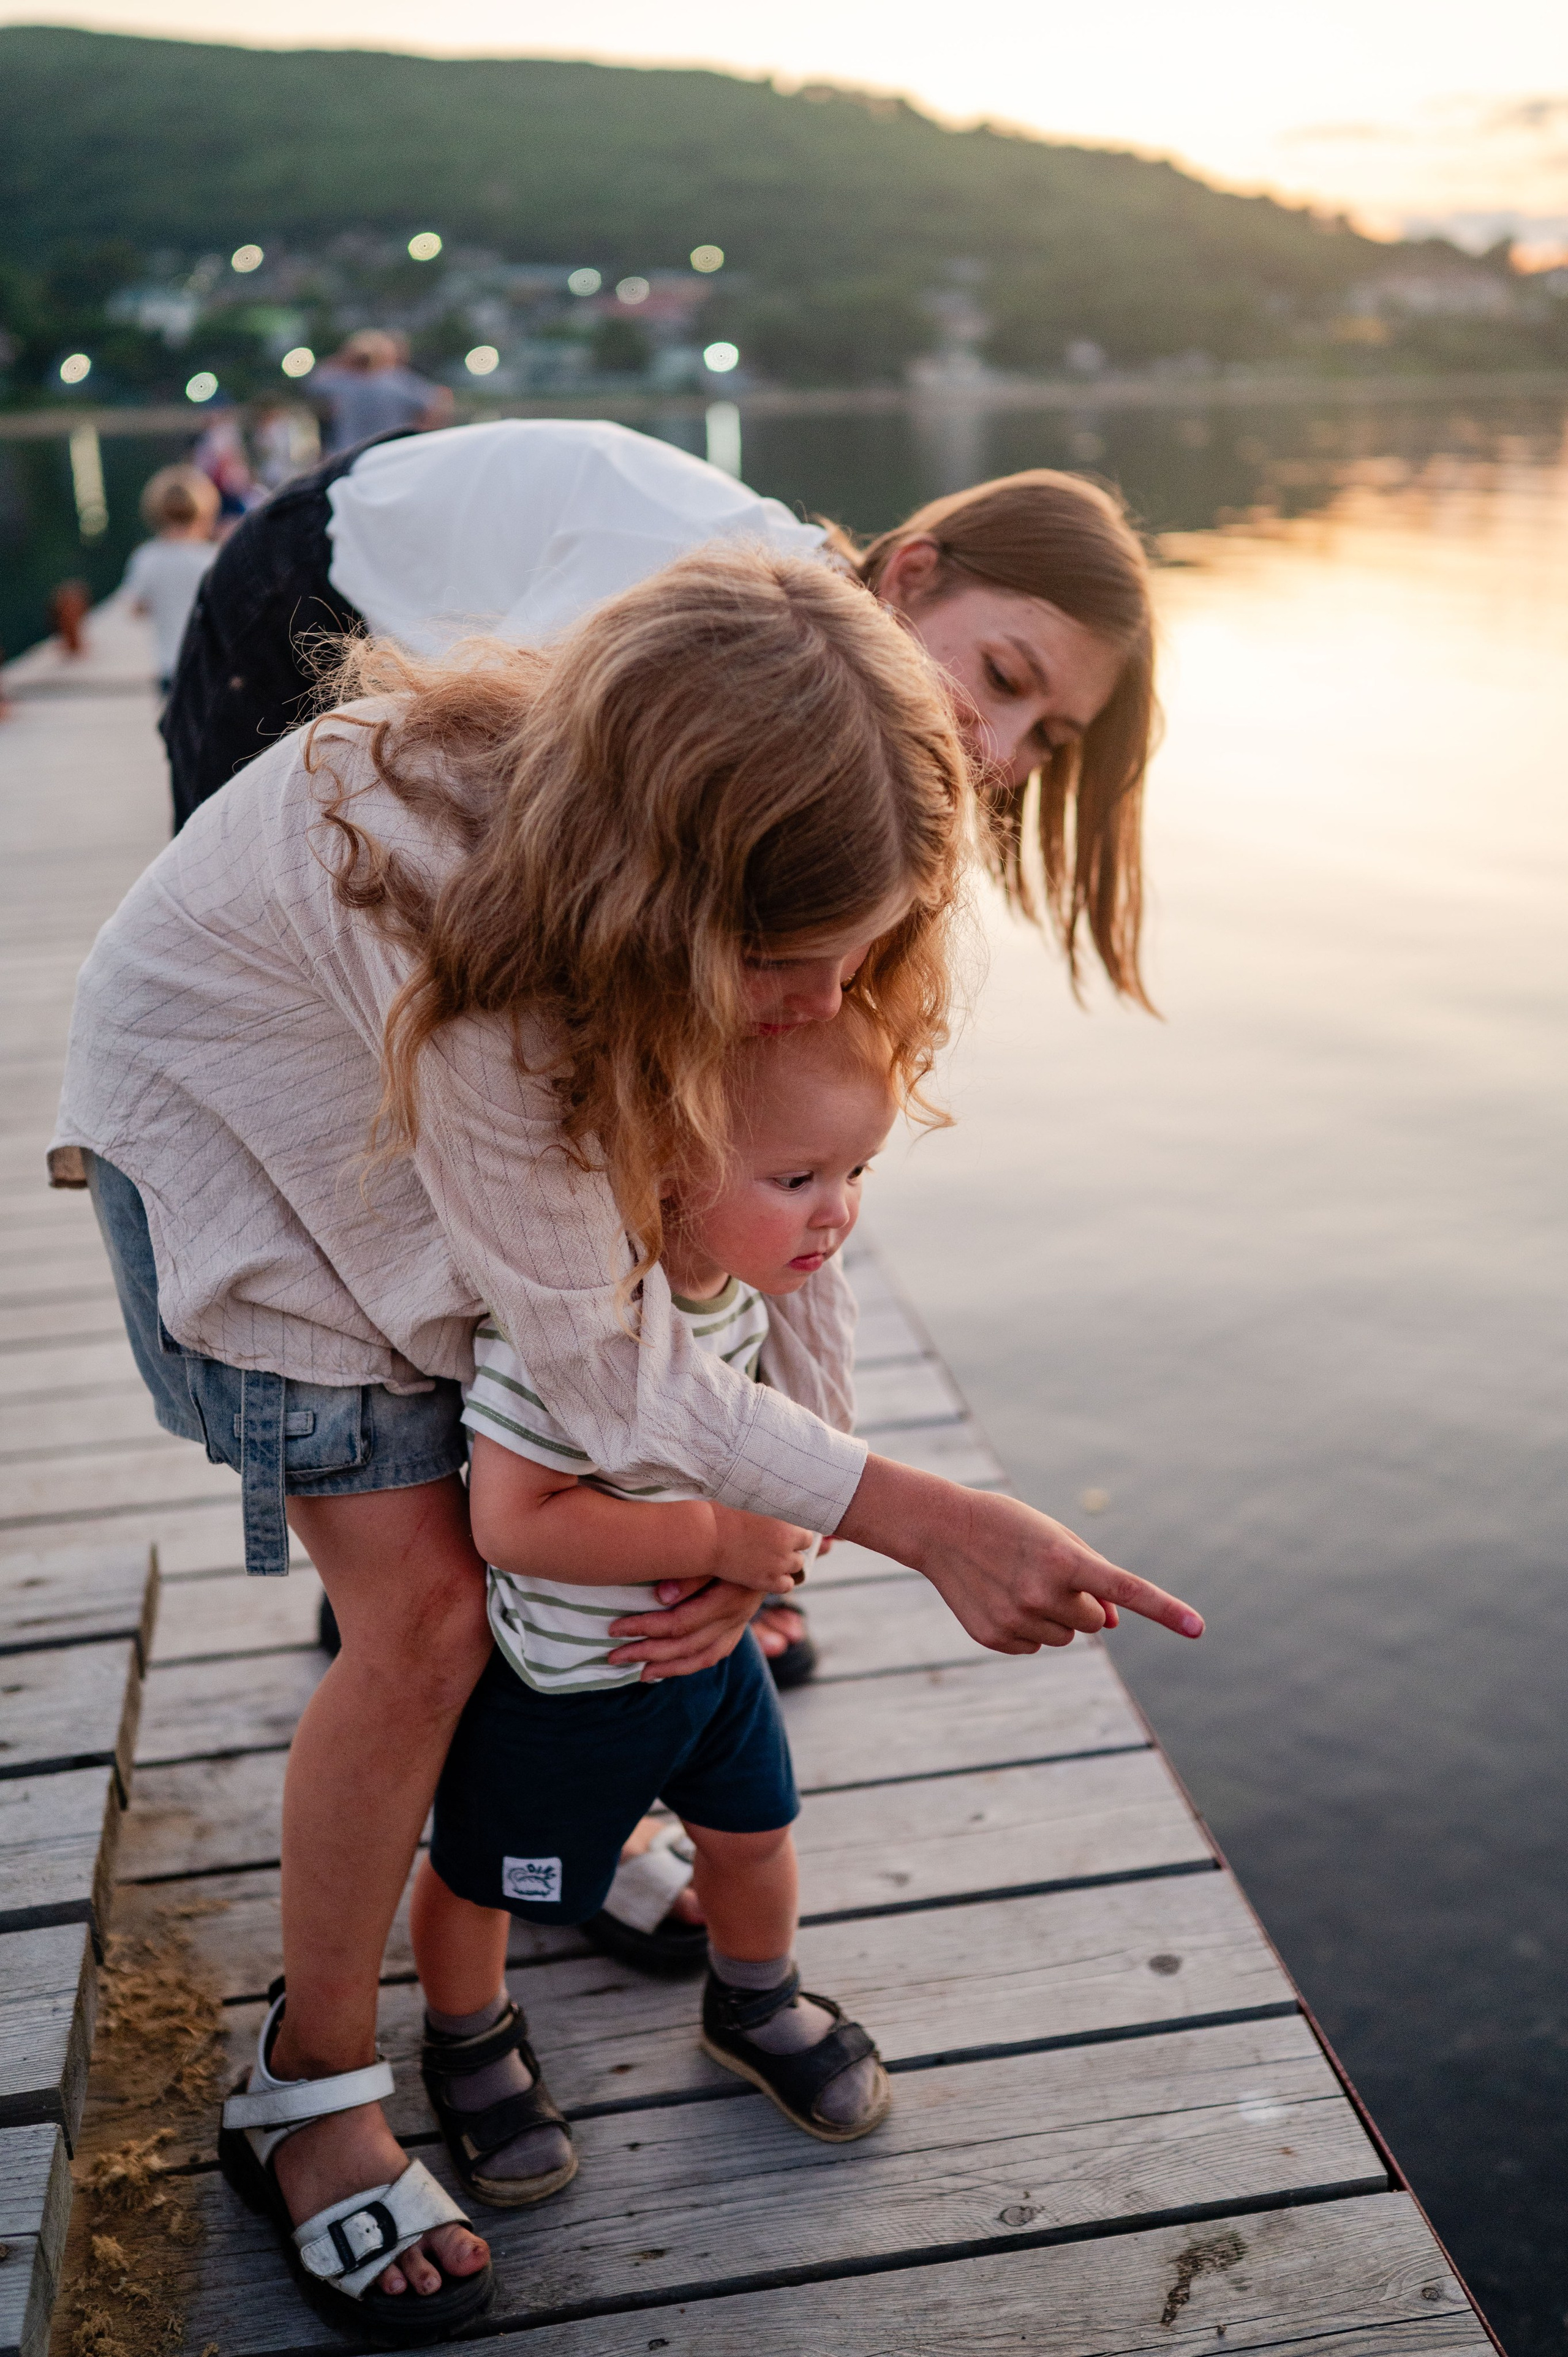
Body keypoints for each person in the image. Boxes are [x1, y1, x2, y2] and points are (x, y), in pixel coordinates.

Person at [52, 543, 1200, 2339]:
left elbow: (796, 1244)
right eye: (788, 963)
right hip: (256, 1165)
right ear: (664, 899)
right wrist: (912, 1515)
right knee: (426, 1609)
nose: (823, 998)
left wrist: (785, 1521)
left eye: (858, 952)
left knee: (584, 1539)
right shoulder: (469, 932)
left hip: (420, 1126)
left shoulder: (739, 906)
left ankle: (554, 1828)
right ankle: (309, 2086)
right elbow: (600, 1378)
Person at [159, 412, 1163, 1955]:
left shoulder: (830, 772)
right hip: (311, 595)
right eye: (1004, 677)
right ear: (909, 574)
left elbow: (763, 1202)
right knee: (447, 1441)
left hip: (552, 844)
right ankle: (442, 1667)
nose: (1002, 750)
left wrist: (767, 1516)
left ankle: (555, 1714)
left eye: (1047, 737)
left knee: (592, 1219)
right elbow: (570, 1280)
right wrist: (846, 1516)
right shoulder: (693, 656)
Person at [407, 1009, 901, 2210]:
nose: (837, 1212)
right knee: (483, 1876)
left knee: (754, 1836)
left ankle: (756, 1996)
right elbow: (512, 1521)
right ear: (671, 1165)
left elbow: (762, 1458)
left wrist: (753, 1565)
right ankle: (468, 2035)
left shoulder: (742, 1302)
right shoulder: (572, 1328)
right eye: (798, 1177)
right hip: (565, 1688)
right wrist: (716, 1538)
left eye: (856, 1172)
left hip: (710, 1667)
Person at [120, 467, 219, 693]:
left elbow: (135, 608)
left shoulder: (146, 557)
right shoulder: (211, 557)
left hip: (169, 666)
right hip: (207, 665)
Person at [309, 329, 453, 457]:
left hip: (349, 455)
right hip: (390, 453)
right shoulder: (398, 382)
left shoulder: (340, 383)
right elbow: (440, 399)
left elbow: (316, 380)